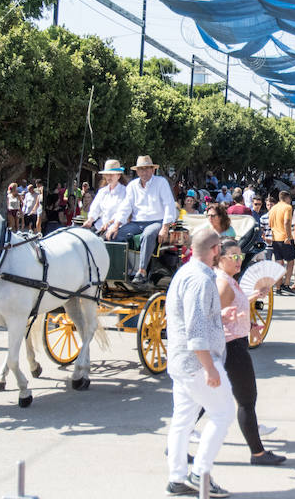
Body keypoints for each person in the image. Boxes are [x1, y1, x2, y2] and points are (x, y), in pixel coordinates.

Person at [164, 228, 234, 498]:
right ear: (215, 250)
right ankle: (200, 473)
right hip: (196, 362)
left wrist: (220, 316)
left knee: (183, 420)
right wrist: (210, 367)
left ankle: (177, 477)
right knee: (223, 413)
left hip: (182, 361)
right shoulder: (201, 280)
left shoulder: (186, 272)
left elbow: (196, 318)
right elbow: (195, 330)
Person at [213, 238, 287, 467]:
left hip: (232, 344)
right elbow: (214, 316)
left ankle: (179, 444)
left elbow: (238, 304)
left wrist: (252, 316)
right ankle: (258, 453)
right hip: (232, 347)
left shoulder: (228, 280)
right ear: (220, 258)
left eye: (240, 256)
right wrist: (238, 323)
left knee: (206, 402)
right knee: (246, 401)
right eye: (233, 257)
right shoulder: (224, 283)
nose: (239, 260)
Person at [108, 155, 178, 289]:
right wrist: (115, 225)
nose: (144, 172)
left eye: (147, 169)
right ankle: (124, 270)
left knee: (147, 234)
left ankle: (142, 271)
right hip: (136, 222)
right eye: (141, 170)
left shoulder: (161, 182)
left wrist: (165, 227)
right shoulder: (132, 185)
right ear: (137, 171)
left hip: (156, 221)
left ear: (153, 170)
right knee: (114, 235)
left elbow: (169, 205)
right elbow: (125, 207)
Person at [82, 160, 127, 233]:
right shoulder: (102, 192)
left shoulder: (125, 192)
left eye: (112, 175)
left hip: (117, 227)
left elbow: (123, 212)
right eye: (107, 174)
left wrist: (109, 223)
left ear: (118, 175)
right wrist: (90, 220)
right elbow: (95, 208)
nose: (109, 177)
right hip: (100, 226)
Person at [269, 191, 295, 294]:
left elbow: (270, 223)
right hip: (285, 238)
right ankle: (286, 283)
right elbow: (287, 221)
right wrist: (288, 236)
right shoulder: (287, 207)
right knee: (290, 261)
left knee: (279, 262)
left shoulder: (273, 208)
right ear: (287, 198)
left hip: (275, 238)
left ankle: (278, 287)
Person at [259, 196, 275, 260]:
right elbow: (261, 231)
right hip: (267, 244)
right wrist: (265, 238)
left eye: (271, 204)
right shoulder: (263, 218)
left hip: (277, 243)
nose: (269, 206)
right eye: (268, 205)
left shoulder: (279, 217)